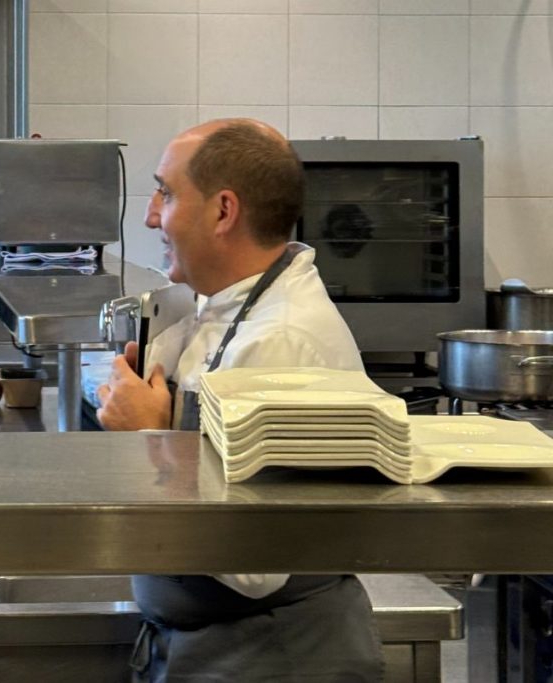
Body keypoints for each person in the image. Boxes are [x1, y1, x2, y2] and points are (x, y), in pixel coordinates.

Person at [97, 119, 383, 682]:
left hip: (274, 655)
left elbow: (253, 560)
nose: (152, 215)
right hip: (214, 648)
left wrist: (152, 436)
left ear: (224, 212)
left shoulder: (281, 339)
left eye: (168, 193)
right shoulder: (226, 307)